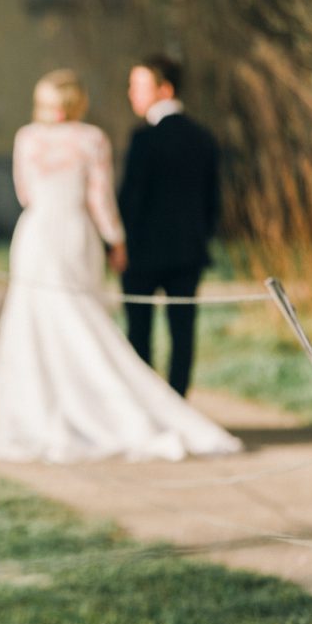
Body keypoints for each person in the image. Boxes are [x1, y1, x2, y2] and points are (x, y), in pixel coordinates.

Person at [0, 69, 241, 463]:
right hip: (74, 234)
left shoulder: (26, 138)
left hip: (35, 234)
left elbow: (24, 192)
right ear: (77, 102)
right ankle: (114, 410)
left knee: (34, 322)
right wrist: (116, 241)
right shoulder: (91, 139)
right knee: (81, 320)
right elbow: (100, 202)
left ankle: (41, 415)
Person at [119, 54, 220, 397]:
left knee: (140, 334)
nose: (131, 93)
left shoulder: (143, 140)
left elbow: (130, 201)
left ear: (165, 89)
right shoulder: (203, 137)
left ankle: (147, 404)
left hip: (142, 255)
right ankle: (177, 402)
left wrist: (119, 246)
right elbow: (212, 203)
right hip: (188, 253)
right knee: (183, 333)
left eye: (138, 86)